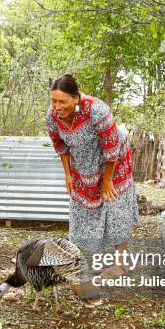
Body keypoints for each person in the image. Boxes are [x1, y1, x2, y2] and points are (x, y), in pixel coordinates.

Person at [46, 74, 139, 302]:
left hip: (112, 163)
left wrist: (107, 181)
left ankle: (120, 264)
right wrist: (68, 175)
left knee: (115, 208)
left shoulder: (97, 110)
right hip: (83, 165)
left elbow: (111, 149)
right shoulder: (52, 117)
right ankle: (82, 265)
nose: (57, 107)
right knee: (81, 211)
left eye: (63, 102)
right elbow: (60, 147)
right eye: (54, 101)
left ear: (76, 98)